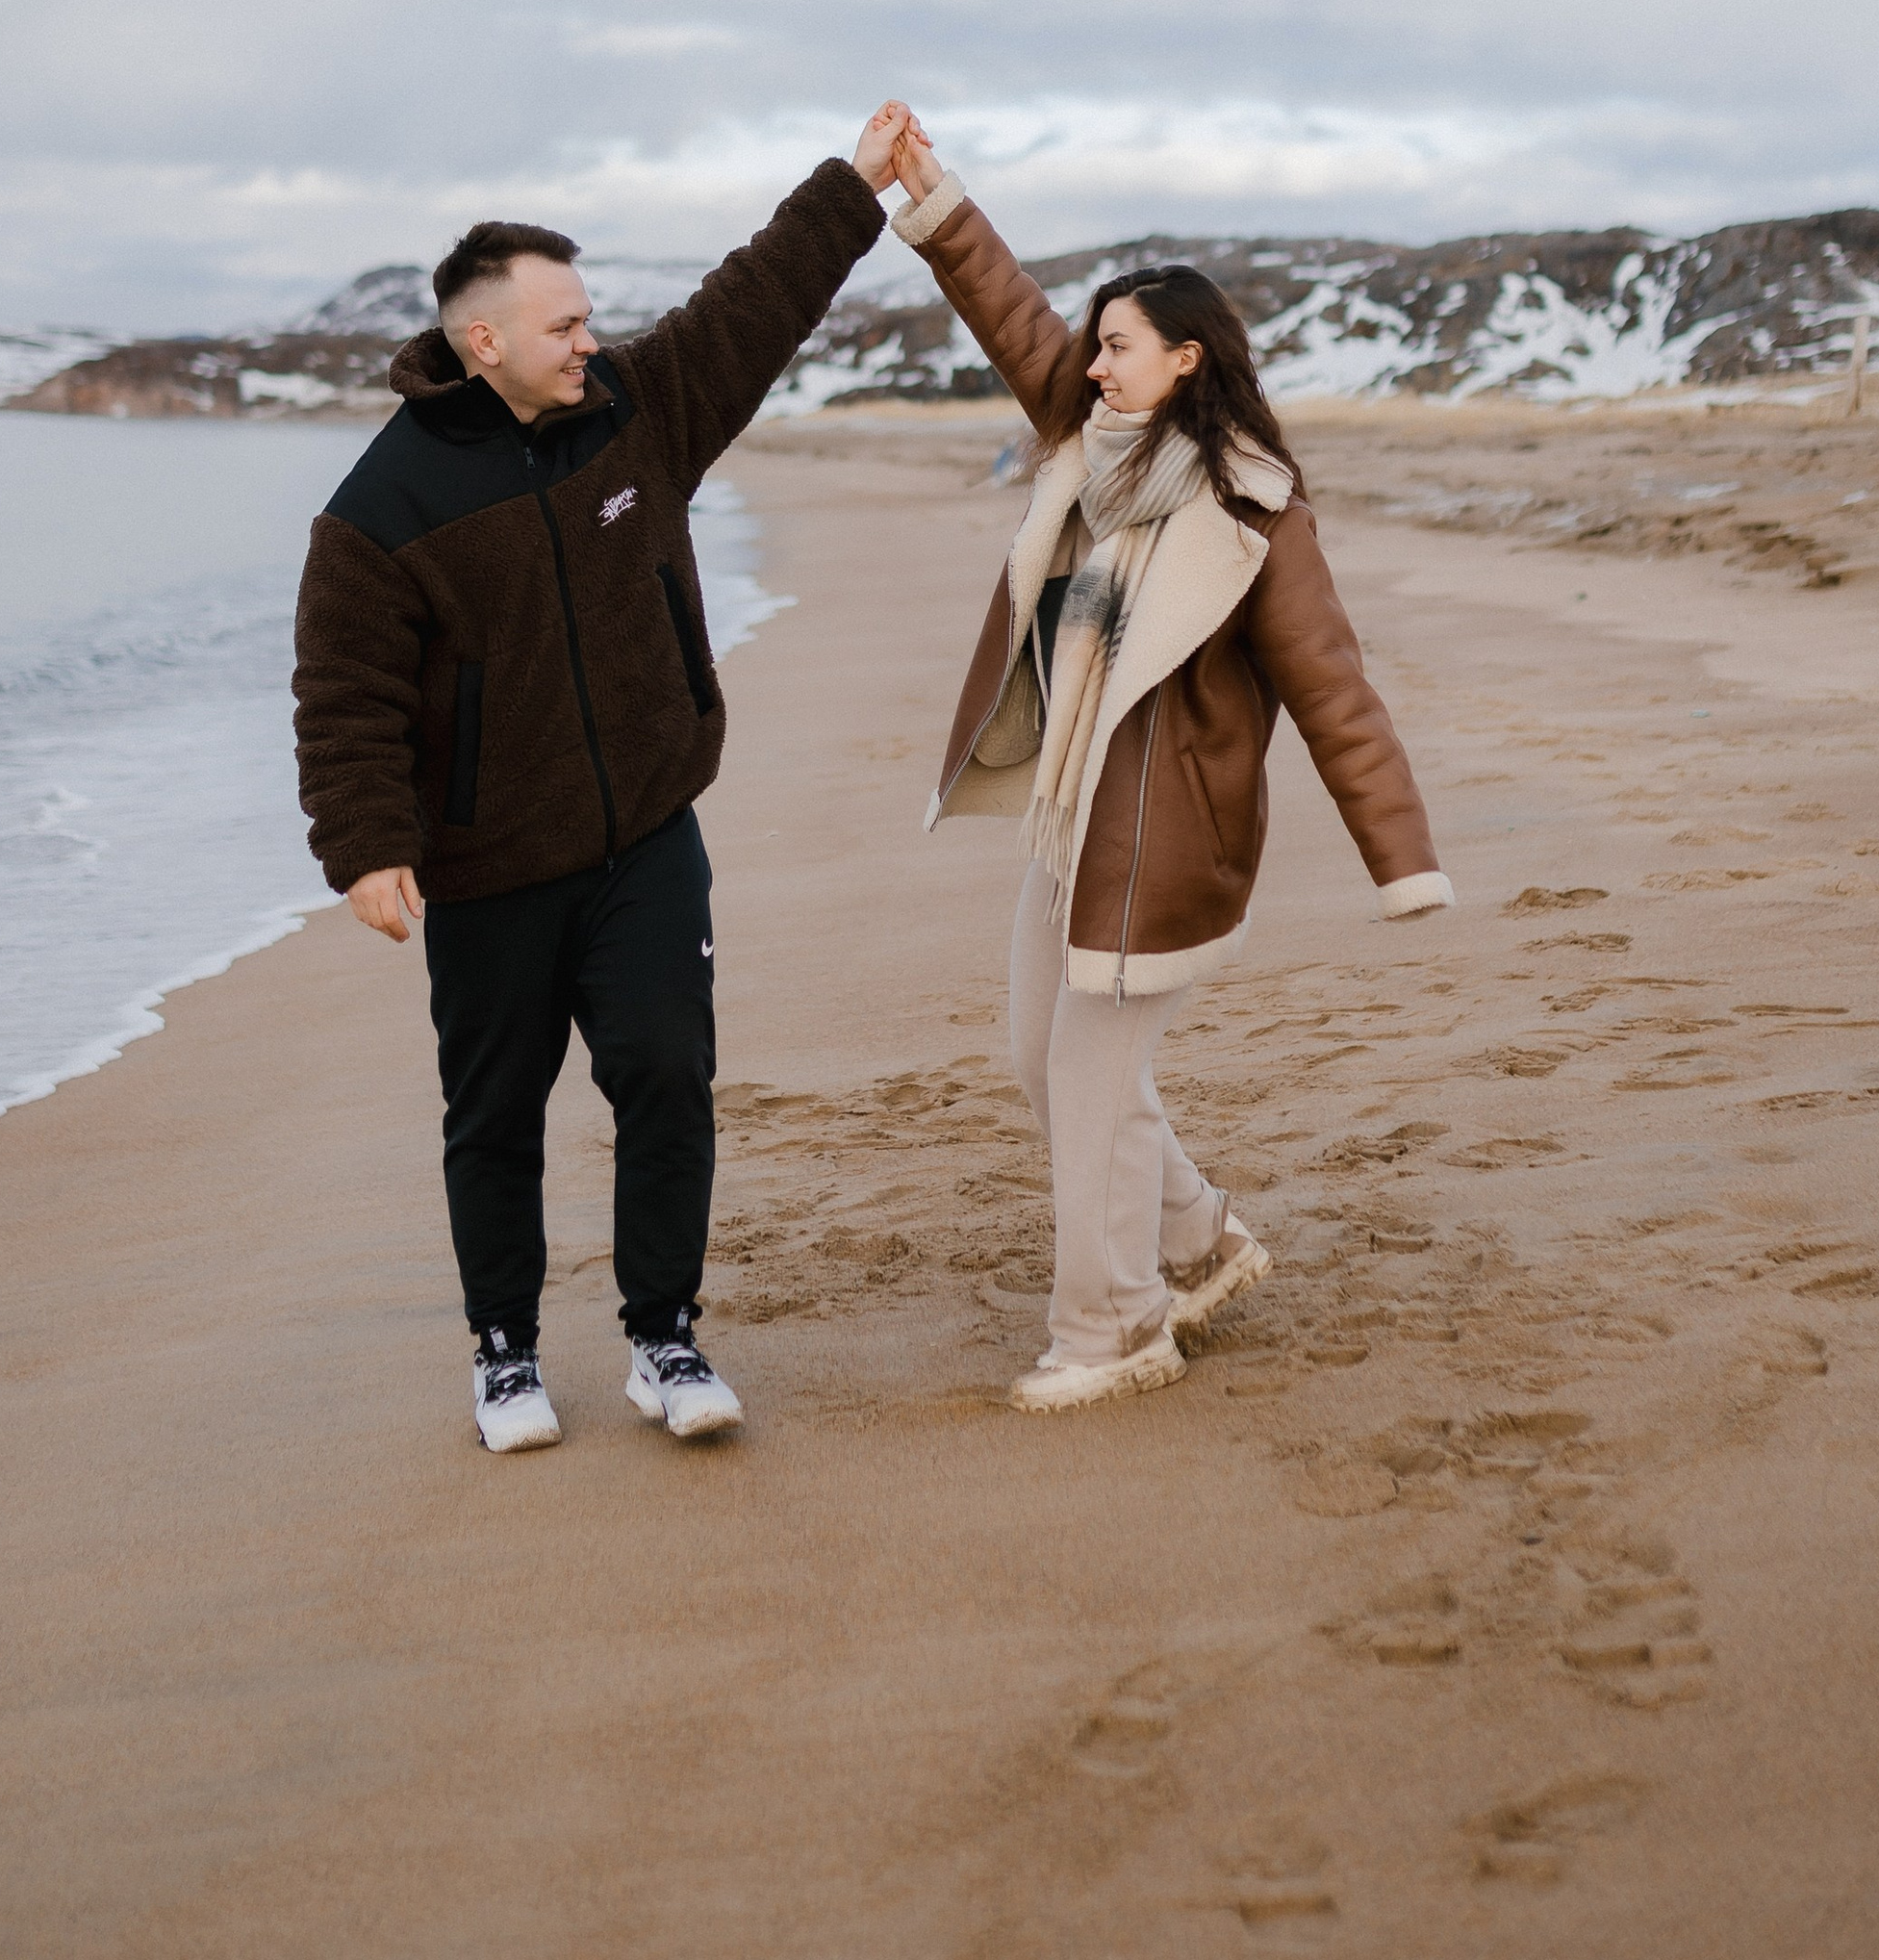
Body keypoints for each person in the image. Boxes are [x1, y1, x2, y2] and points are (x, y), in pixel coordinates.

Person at [292, 115, 914, 1453]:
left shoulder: (636, 410)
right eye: (565, 324)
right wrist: (366, 846)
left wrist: (853, 183)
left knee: (665, 1075)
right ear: (485, 342)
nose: (590, 340)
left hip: (644, 833)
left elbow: (756, 301)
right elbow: (346, 695)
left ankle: (662, 1337)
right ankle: (506, 1354)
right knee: (497, 1112)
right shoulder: (378, 511)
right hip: (489, 866)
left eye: (588, 320)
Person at [886, 134, 1452, 1414]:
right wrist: (926, 199)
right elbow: (1013, 315)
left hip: (1166, 840)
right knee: (1044, 1063)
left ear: (1186, 359)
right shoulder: (1086, 444)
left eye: (1120, 347)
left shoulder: (1258, 511)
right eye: (1091, 350)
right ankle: (1200, 1244)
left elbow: (1330, 687)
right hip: (1068, 813)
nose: (1092, 364)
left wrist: (1402, 859)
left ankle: (1115, 1326)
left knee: (1090, 1079)